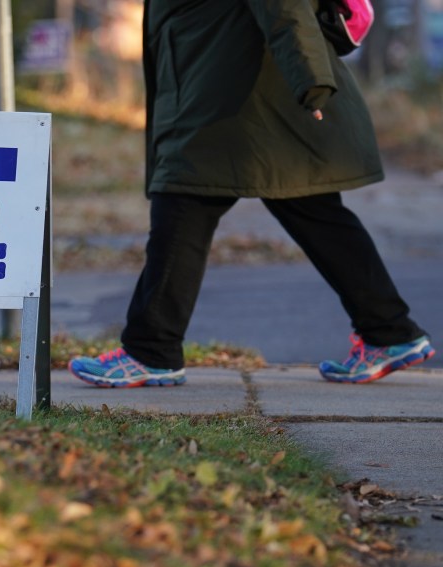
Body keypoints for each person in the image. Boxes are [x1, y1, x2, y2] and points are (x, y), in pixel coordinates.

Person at [68, 0, 435, 387]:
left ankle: (150, 351)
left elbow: (284, 6)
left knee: (183, 204)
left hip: (230, 104)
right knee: (316, 216)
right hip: (235, 96)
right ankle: (389, 331)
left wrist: (311, 80)